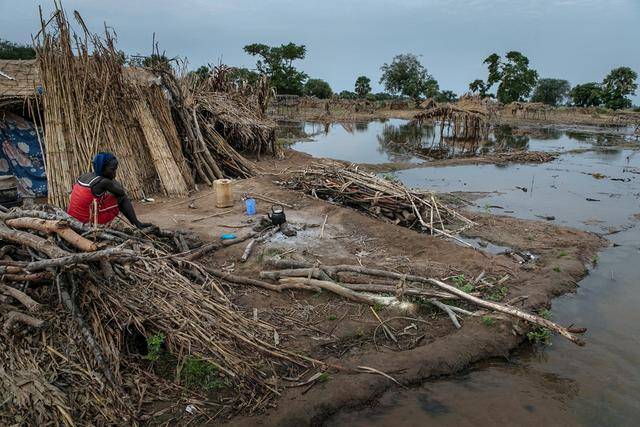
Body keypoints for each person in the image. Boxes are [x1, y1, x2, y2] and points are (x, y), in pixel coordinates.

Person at [67, 152, 152, 229]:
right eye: (112, 169)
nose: (115, 173)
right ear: (102, 168)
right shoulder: (104, 182)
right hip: (86, 221)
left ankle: (136, 223)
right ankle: (137, 223)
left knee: (106, 197)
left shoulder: (85, 176)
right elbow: (121, 192)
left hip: (72, 216)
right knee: (122, 198)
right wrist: (112, 179)